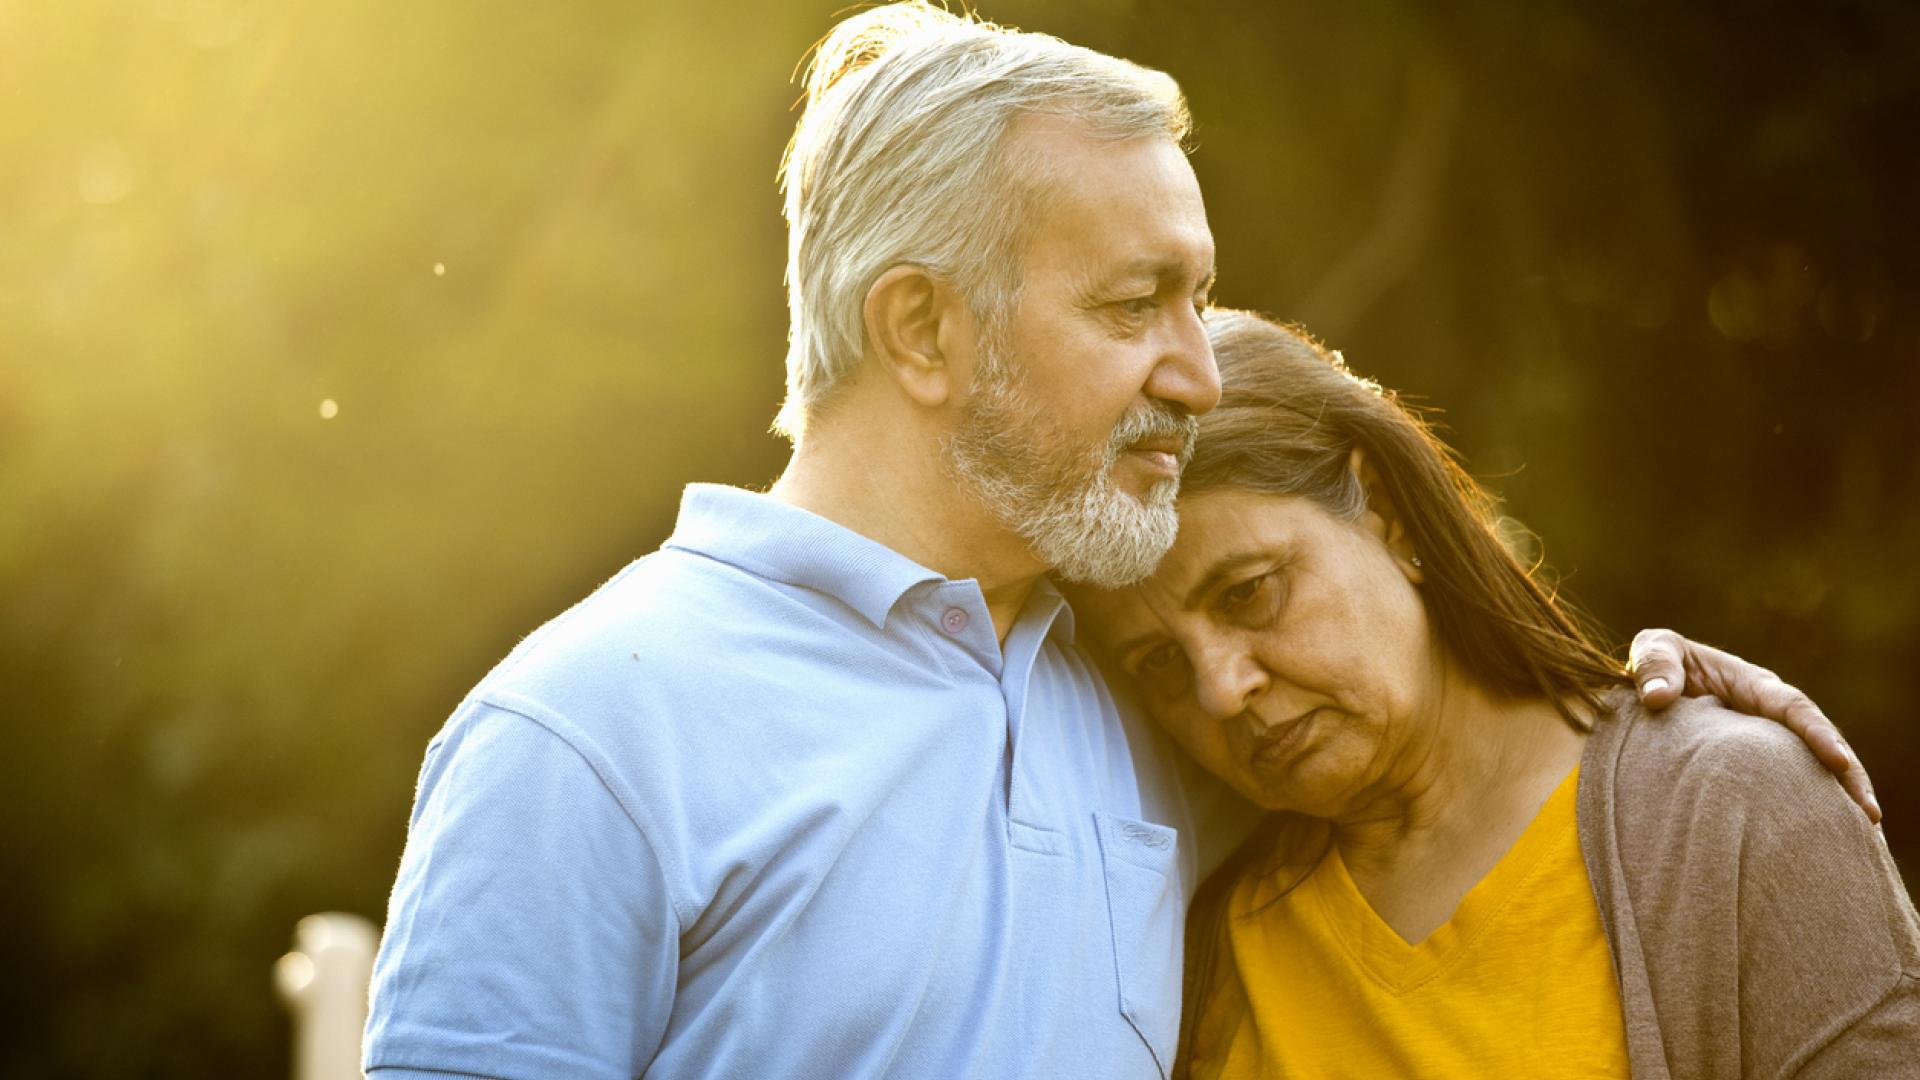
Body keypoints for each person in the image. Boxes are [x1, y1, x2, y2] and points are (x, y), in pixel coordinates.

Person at [362, 6, 1871, 1078]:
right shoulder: (586, 735)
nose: (1197, 372)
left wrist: (1673, 716)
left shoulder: (1136, 699)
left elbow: (1451, 751)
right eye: (1132, 304)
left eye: (1194, 298)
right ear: (924, 329)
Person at [1074, 309, 1920, 1079]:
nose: (1221, 691)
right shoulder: (1194, 925)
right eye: (1159, 663)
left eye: (1249, 592)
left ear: (1388, 512)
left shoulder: (1733, 813)